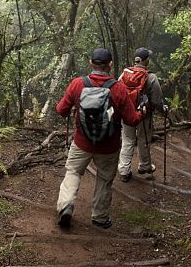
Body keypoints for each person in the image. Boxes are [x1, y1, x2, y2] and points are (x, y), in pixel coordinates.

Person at [55, 48, 142, 229]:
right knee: (104, 179)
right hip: (108, 146)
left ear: (90, 63)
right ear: (110, 65)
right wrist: (143, 111)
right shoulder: (118, 89)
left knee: (73, 172)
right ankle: (100, 217)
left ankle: (66, 206)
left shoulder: (78, 84)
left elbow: (61, 110)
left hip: (81, 143)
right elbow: (132, 120)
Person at [117, 47, 168, 183]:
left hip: (127, 114)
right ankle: (144, 166)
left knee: (127, 141)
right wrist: (163, 112)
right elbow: (157, 100)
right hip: (143, 115)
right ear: (146, 60)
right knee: (143, 140)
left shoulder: (124, 74)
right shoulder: (151, 77)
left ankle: (124, 170)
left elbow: (117, 92)